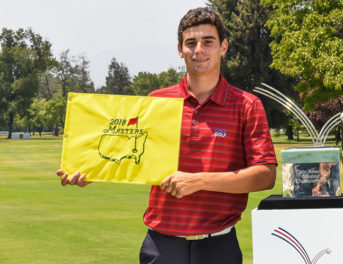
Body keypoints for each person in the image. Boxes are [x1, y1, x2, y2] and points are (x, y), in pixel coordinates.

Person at [56, 7, 277, 264]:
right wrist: (92, 169)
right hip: (161, 246)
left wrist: (198, 181)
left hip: (218, 246)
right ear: (180, 49)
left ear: (223, 47)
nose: (199, 50)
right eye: (191, 43)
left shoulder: (247, 105)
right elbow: (129, 156)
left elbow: (265, 175)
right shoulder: (158, 101)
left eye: (208, 42)